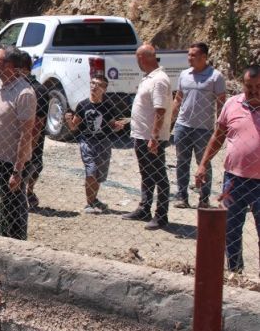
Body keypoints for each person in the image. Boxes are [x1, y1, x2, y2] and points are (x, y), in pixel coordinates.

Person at [194, 65, 260, 273]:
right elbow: (218, 136)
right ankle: (235, 272)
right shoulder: (232, 104)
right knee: (230, 230)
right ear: (243, 84)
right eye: (249, 86)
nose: (253, 91)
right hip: (234, 180)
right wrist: (203, 163)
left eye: (258, 86)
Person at [123, 43, 173, 230]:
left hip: (152, 137)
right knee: (146, 174)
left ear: (144, 58)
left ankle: (162, 215)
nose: (137, 61)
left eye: (138, 57)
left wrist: (154, 136)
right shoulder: (149, 78)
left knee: (159, 176)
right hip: (142, 135)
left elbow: (160, 110)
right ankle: (144, 208)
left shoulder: (159, 80)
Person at [0, 45, 36, 240]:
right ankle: (1, 242)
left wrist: (17, 170)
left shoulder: (24, 93)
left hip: (12, 163)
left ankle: (17, 247)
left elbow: (26, 134)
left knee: (13, 210)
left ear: (9, 65)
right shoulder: (3, 87)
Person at [171, 42, 226, 209]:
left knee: (204, 162)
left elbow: (221, 104)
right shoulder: (184, 75)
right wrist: (170, 122)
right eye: (189, 55)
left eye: (193, 55)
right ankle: (182, 197)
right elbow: (178, 99)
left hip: (204, 129)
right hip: (183, 126)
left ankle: (203, 199)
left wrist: (220, 126)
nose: (189, 58)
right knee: (182, 161)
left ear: (204, 57)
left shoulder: (215, 77)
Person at [64, 74, 128, 213]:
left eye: (97, 85)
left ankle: (94, 200)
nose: (93, 86)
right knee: (91, 171)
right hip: (87, 141)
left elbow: (112, 124)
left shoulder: (108, 106)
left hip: (104, 142)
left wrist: (118, 126)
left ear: (104, 89)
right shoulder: (83, 104)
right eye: (92, 83)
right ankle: (89, 204)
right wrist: (69, 121)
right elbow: (74, 127)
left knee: (99, 174)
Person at [17, 51, 48, 210]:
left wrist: (30, 146)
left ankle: (27, 192)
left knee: (33, 165)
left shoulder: (36, 90)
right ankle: (26, 193)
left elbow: (37, 124)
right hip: (20, 139)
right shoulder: (18, 87)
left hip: (29, 141)